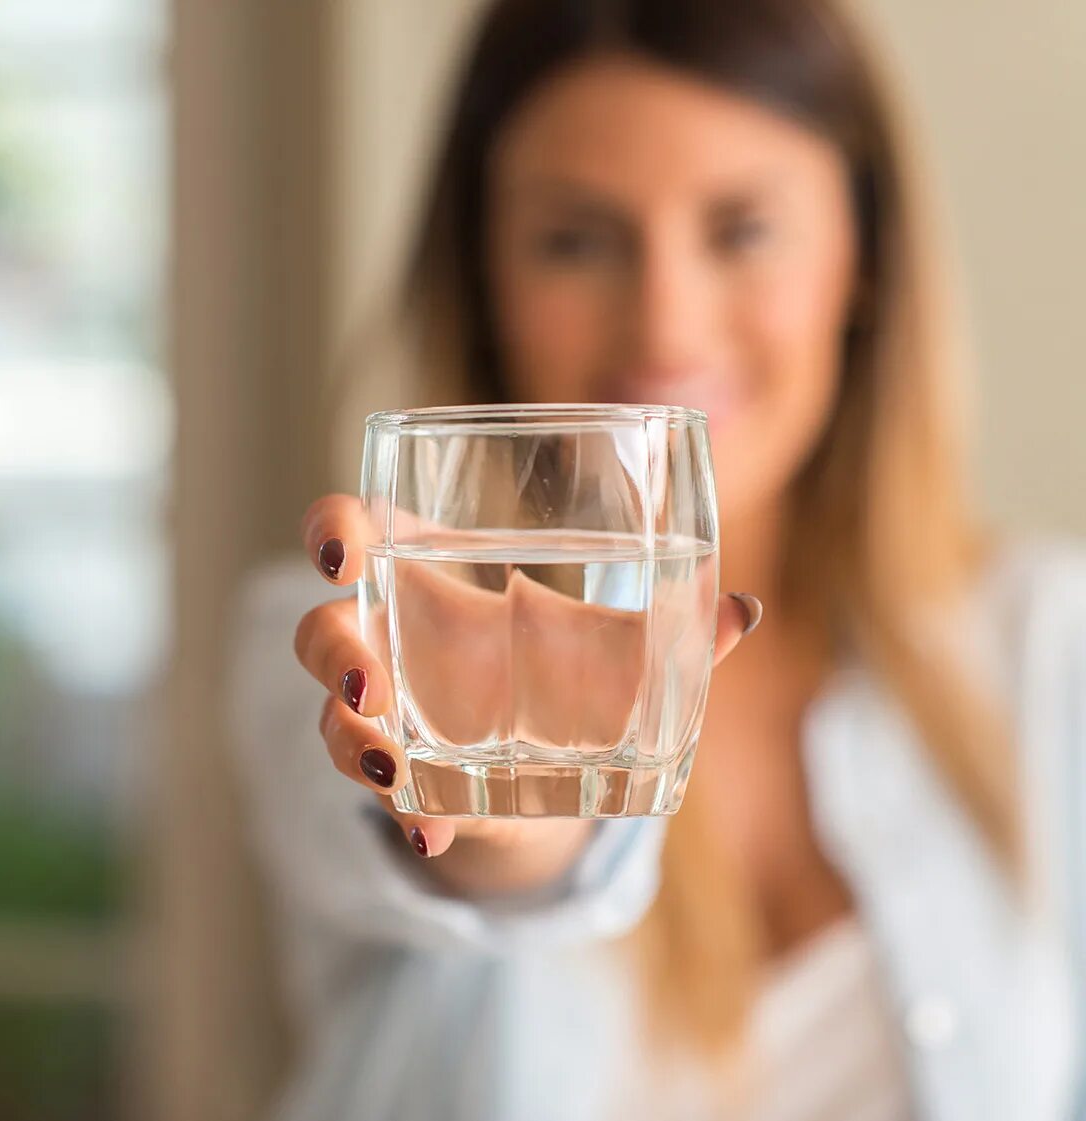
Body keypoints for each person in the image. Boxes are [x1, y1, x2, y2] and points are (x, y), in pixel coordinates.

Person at [228, 1, 1086, 1118]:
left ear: (863, 255)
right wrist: (512, 815)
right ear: (485, 271)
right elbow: (430, 859)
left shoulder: (1045, 641)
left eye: (741, 231)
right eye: (577, 240)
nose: (665, 325)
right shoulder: (340, 628)